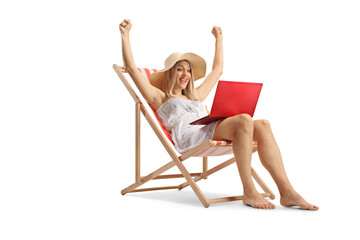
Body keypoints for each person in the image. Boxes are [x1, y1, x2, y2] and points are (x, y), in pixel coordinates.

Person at [119, 19, 319, 210]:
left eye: (188, 70)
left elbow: (217, 70)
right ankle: (249, 190)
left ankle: (287, 191)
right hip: (190, 138)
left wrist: (218, 40)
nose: (185, 74)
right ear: (170, 73)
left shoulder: (196, 96)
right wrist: (125, 36)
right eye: (179, 69)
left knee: (263, 125)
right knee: (244, 120)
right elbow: (134, 71)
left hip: (208, 128)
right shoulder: (160, 97)